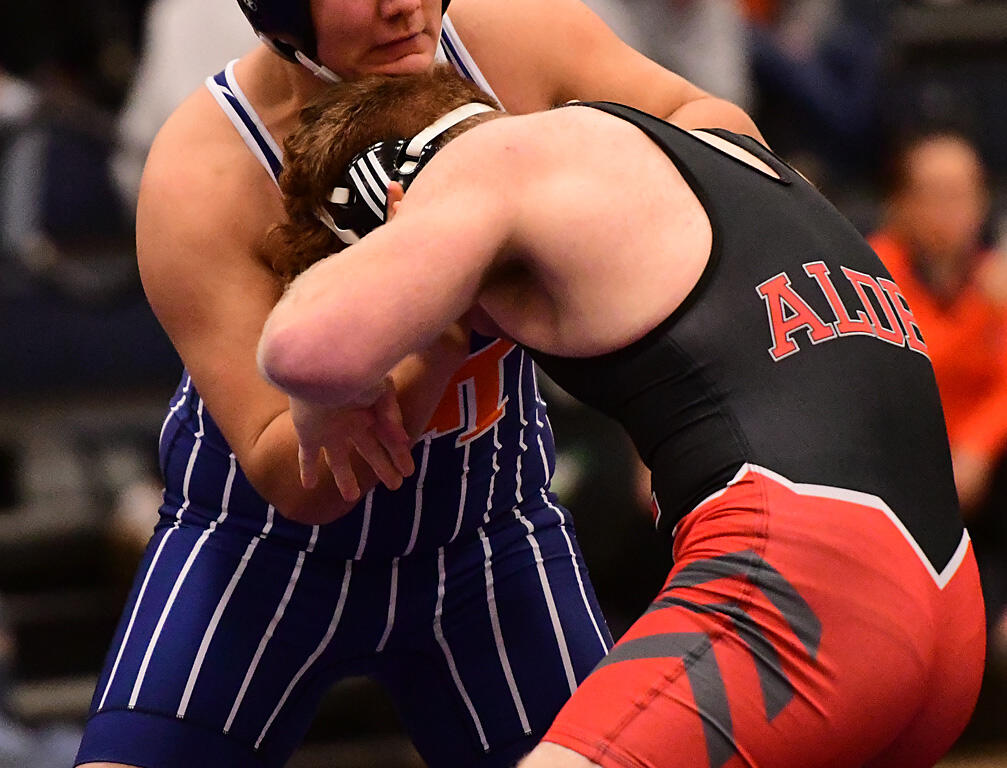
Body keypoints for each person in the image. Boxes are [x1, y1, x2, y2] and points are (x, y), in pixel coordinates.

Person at [74, 0, 763, 766]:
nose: (403, 6)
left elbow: (714, 131)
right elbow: (299, 481)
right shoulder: (205, 170)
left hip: (486, 539)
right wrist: (437, 325)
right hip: (259, 552)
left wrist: (602, 205)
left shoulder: (503, 38)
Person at [257, 65, 985, 768]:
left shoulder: (482, 165)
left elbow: (304, 350)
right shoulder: (712, 144)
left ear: (391, 201)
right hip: (950, 606)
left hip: (806, 587)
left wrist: (323, 400)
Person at [868, 128, 1007, 667]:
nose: (950, 211)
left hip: (981, 475)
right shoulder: (868, 274)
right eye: (934, 194)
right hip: (901, 471)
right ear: (900, 203)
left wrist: (976, 446)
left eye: (962, 194)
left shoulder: (994, 279)